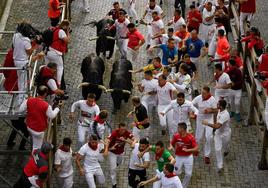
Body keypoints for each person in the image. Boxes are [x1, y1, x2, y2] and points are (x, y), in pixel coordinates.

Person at [19, 86, 60, 151]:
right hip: (39, 130)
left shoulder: (29, 100)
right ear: (45, 94)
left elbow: (20, 110)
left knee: (36, 140)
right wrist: (57, 109)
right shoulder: (46, 105)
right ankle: (35, 158)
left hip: (29, 126)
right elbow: (52, 115)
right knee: (36, 147)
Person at [13, 21, 44, 104]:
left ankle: (22, 98)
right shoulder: (25, 40)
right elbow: (29, 52)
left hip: (16, 60)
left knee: (20, 81)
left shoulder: (16, 35)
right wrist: (35, 45)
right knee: (24, 82)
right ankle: (22, 100)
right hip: (23, 62)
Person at [202, 99, 231, 174]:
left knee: (225, 146)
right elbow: (215, 111)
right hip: (218, 134)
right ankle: (220, 166)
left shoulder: (225, 115)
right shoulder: (219, 110)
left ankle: (227, 150)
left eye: (218, 104)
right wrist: (209, 111)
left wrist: (207, 123)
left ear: (221, 107)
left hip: (225, 134)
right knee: (218, 150)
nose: (216, 105)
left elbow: (217, 126)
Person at [192, 86, 217, 164]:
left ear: (208, 93)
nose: (202, 94)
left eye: (204, 93)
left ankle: (207, 155)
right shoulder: (199, 97)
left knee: (208, 137)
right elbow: (191, 104)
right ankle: (196, 149)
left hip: (209, 120)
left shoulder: (213, 100)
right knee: (198, 137)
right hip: (200, 119)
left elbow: (216, 110)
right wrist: (194, 113)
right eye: (202, 92)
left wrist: (210, 110)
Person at [106, 123, 135, 188]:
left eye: (124, 129)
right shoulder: (114, 133)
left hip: (120, 152)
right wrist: (108, 149)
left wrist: (133, 141)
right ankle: (114, 184)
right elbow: (107, 141)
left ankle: (114, 165)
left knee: (119, 162)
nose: (123, 131)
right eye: (122, 129)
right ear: (118, 128)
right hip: (112, 153)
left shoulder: (126, 133)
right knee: (113, 169)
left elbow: (133, 138)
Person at [169, 122, 198, 188]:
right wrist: (171, 146)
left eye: (178, 128)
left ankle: (183, 186)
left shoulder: (191, 137)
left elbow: (196, 148)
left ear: (182, 129)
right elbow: (171, 143)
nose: (177, 129)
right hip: (178, 157)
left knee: (188, 174)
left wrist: (188, 150)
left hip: (188, 157)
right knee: (177, 173)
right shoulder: (176, 136)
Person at [45, 20, 71, 87]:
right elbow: (68, 40)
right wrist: (68, 32)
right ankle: (58, 84)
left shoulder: (53, 29)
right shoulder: (61, 31)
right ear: (65, 26)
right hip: (55, 53)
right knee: (60, 67)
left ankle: (48, 83)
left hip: (47, 52)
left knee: (48, 68)